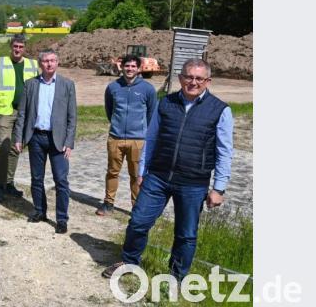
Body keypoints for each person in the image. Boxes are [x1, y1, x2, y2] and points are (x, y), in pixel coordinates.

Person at [102, 59, 234, 281]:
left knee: (186, 235)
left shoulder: (220, 110)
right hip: (158, 177)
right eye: (188, 77)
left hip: (193, 182)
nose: (193, 82)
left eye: (199, 78)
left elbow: (224, 151)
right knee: (138, 222)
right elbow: (151, 138)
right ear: (181, 78)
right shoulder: (166, 103)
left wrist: (218, 188)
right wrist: (142, 171)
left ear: (207, 81)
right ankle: (129, 262)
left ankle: (176, 277)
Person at [13, 49, 77, 234]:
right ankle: (39, 211)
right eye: (45, 61)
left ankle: (62, 219)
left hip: (58, 140)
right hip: (36, 138)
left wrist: (69, 141)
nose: (49, 64)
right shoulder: (30, 84)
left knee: (61, 180)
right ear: (40, 64)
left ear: (57, 62)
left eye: (52, 60)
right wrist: (19, 137)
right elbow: (22, 114)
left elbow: (72, 116)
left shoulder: (67, 85)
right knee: (37, 178)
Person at [96, 54, 157, 215]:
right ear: (121, 67)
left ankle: (136, 206)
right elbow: (110, 110)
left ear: (139, 69)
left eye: (133, 66)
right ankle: (108, 203)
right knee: (112, 172)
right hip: (115, 138)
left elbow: (151, 113)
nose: (129, 69)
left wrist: (143, 132)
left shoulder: (148, 89)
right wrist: (117, 125)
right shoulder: (113, 87)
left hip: (138, 140)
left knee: (136, 175)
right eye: (127, 66)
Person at [0, 34, 39, 203]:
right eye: (15, 46)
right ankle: (0, 185)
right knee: (4, 146)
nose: (17, 49)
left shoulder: (33, 65)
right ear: (11, 47)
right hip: (5, 112)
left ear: (25, 48)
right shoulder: (0, 63)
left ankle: (9, 182)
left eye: (21, 47)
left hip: (24, 114)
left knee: (16, 148)